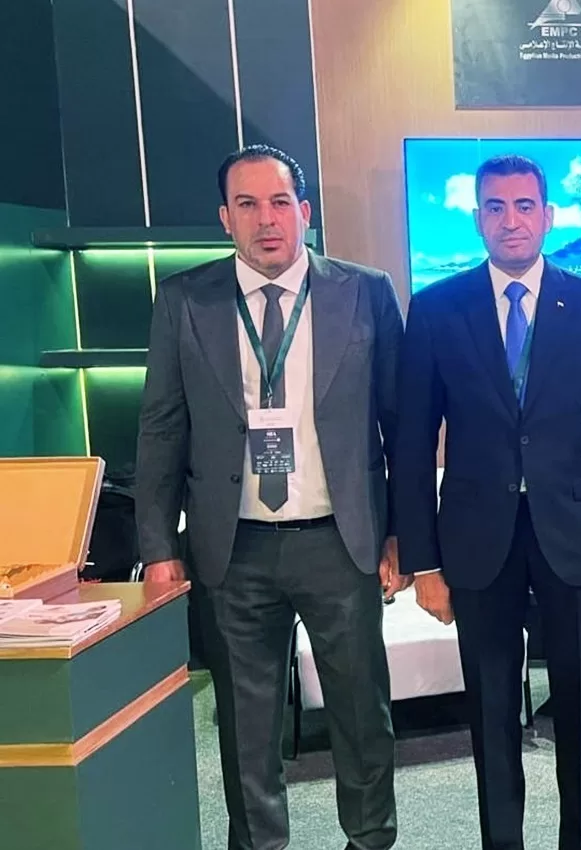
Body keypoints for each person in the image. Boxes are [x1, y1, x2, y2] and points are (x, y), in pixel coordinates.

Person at [135, 144, 404, 850]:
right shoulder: (185, 301)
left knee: (361, 714)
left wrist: (403, 532)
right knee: (246, 726)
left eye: (280, 202)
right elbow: (161, 429)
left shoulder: (365, 292)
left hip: (339, 542)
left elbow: (400, 422)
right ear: (225, 218)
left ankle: (371, 839)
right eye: (247, 205)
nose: (266, 219)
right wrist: (158, 547)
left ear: (305, 212)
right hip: (233, 550)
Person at [392, 153, 581, 850]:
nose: (511, 220)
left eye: (525, 205)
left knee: (580, 713)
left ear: (548, 215)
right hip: (477, 541)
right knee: (492, 712)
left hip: (576, 536)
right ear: (477, 218)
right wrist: (423, 563)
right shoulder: (437, 309)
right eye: (496, 207)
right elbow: (412, 444)